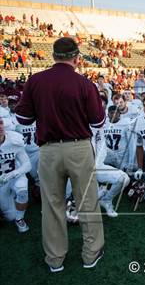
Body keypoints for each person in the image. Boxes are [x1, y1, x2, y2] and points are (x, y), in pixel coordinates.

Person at [14, 37, 105, 272]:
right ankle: (90, 254)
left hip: (49, 150)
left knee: (52, 205)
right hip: (79, 147)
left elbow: (23, 119)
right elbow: (98, 121)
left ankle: (55, 259)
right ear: (76, 58)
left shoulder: (35, 81)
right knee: (87, 201)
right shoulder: (85, 83)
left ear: (53, 56)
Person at [0, 116, 31, 232]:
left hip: (14, 176)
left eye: (1, 123)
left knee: (22, 190)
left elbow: (27, 164)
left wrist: (13, 174)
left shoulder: (14, 140)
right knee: (9, 216)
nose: (0, 127)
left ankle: (20, 219)